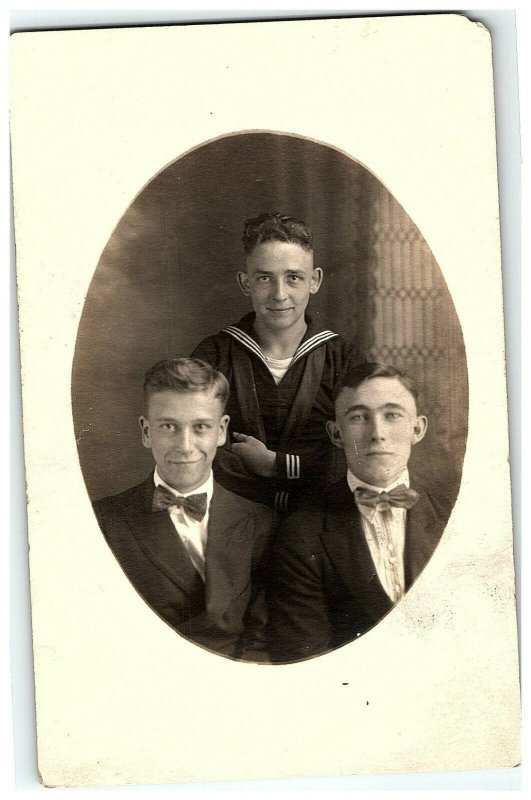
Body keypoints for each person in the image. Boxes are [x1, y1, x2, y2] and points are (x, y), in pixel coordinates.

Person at [269, 362, 451, 663]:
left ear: (417, 429)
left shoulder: (452, 515)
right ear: (336, 433)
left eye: (392, 415)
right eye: (359, 418)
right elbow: (307, 657)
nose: (377, 433)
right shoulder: (301, 534)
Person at [93, 358, 273, 661]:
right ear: (146, 431)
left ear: (221, 430)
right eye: (169, 427)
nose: (185, 446)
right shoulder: (105, 523)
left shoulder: (260, 521)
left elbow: (263, 637)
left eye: (200, 427)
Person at [192, 211, 360, 512]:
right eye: (264, 278)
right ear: (245, 283)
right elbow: (198, 446)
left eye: (293, 278)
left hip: (322, 518)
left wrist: (278, 465)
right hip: (234, 518)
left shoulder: (342, 359)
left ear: (315, 280)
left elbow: (361, 450)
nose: (279, 294)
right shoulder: (213, 356)